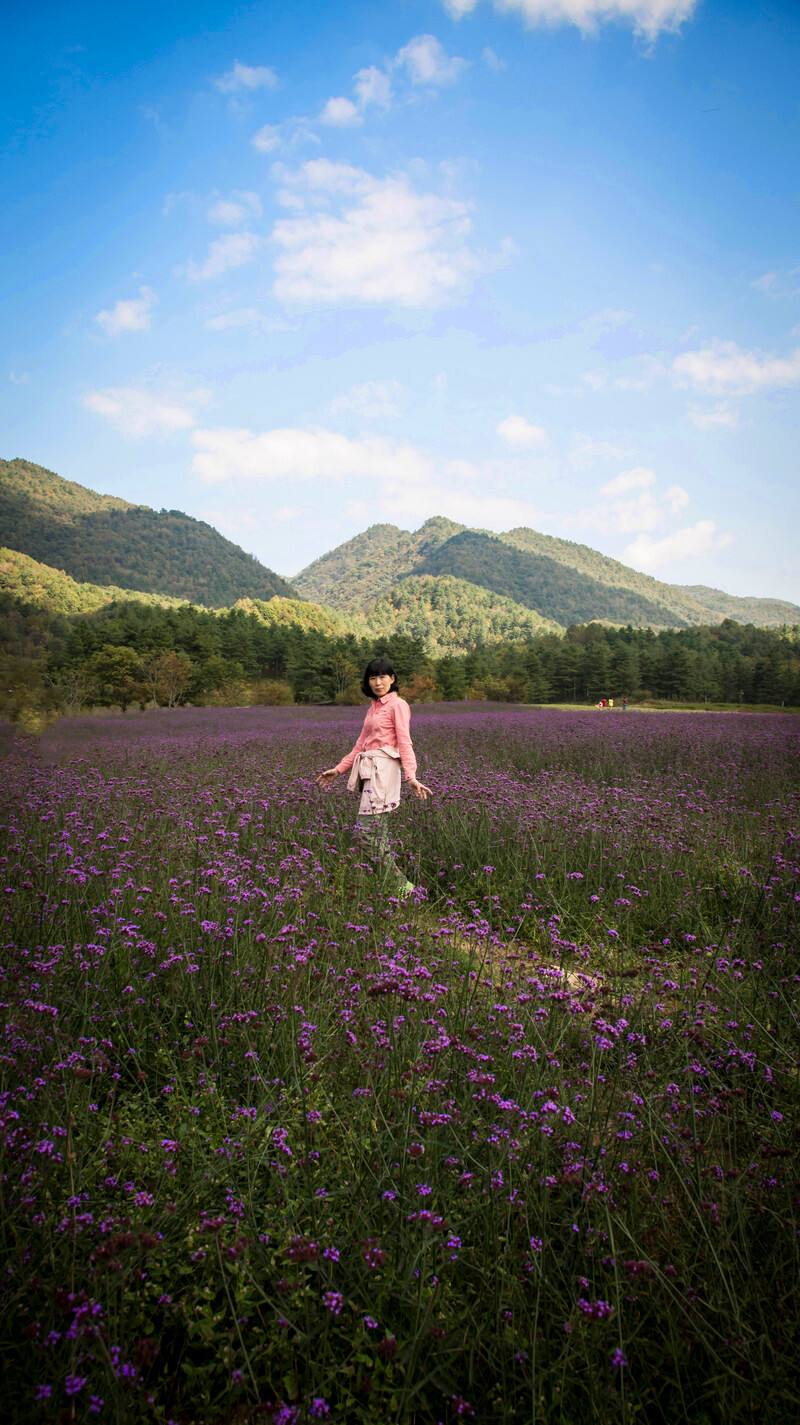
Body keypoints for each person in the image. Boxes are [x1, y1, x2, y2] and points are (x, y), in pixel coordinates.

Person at [316, 658, 432, 901]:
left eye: (383, 677)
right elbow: (360, 745)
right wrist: (338, 770)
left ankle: (402, 886)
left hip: (384, 770)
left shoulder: (397, 705)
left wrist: (411, 775)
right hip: (371, 770)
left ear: (392, 678)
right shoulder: (374, 708)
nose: (378, 682)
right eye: (372, 677)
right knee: (376, 832)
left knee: (367, 832)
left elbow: (405, 741)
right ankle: (396, 886)